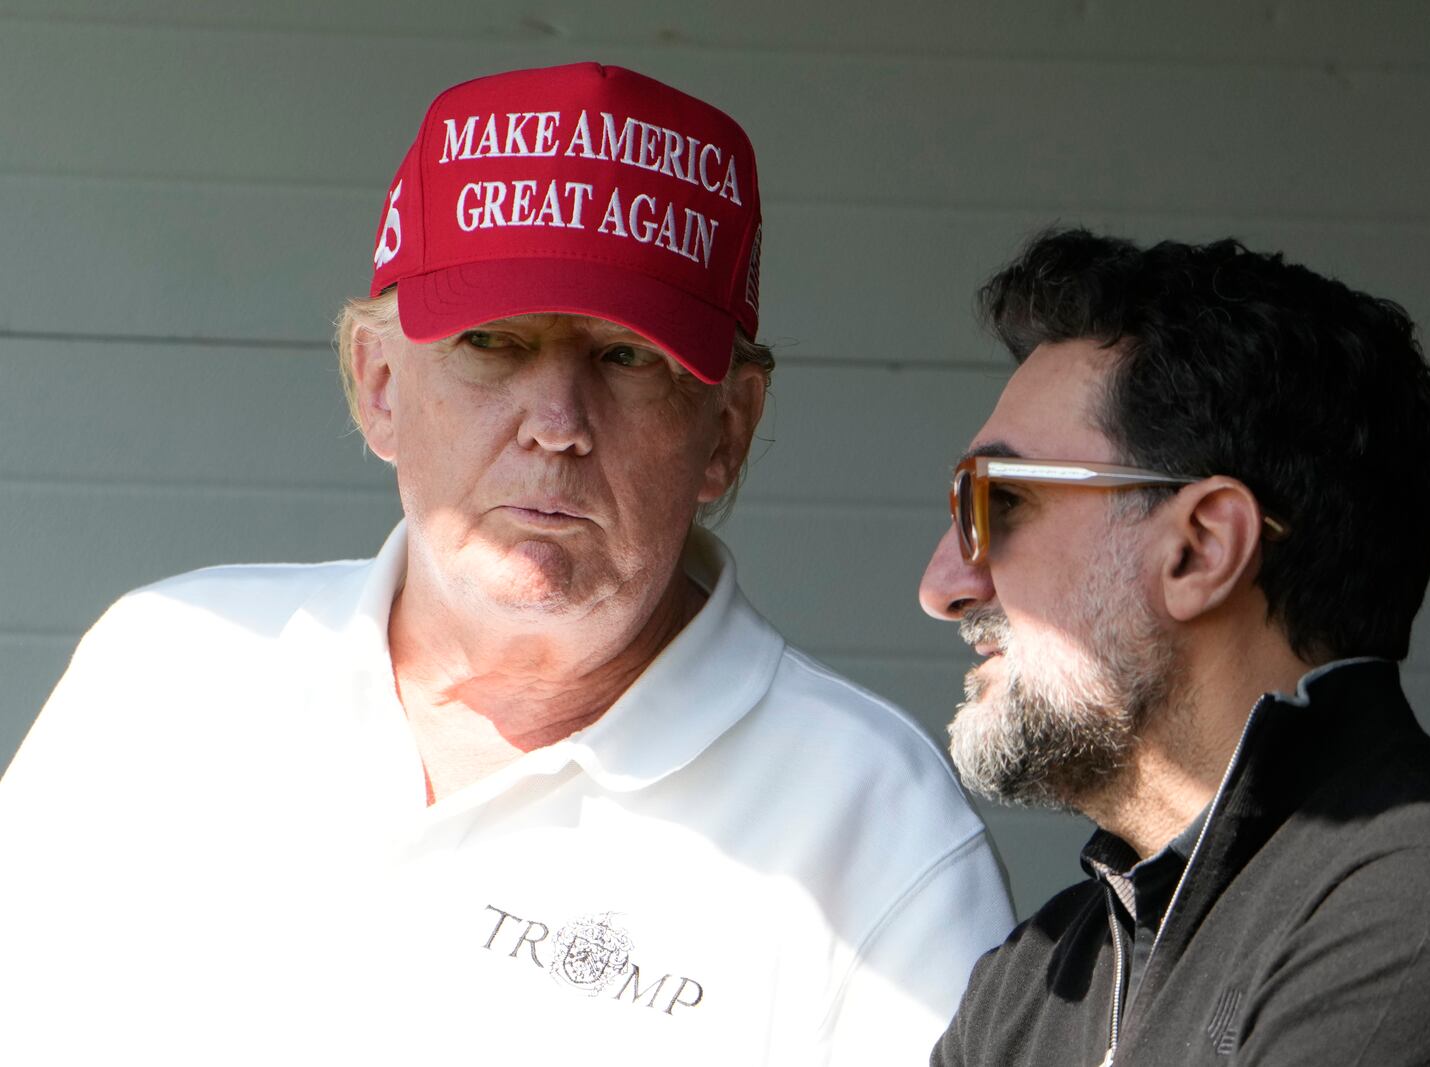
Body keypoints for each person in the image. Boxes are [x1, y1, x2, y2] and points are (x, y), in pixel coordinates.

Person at [0, 64, 1013, 1065]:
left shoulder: (871, 825)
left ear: (727, 431)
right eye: (492, 341)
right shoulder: (164, 668)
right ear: (379, 381)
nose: (557, 424)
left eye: (625, 356)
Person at [918, 228, 1430, 1066]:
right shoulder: (1037, 977)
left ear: (1202, 548)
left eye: (998, 501)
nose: (942, 582)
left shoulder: (1429, 905)